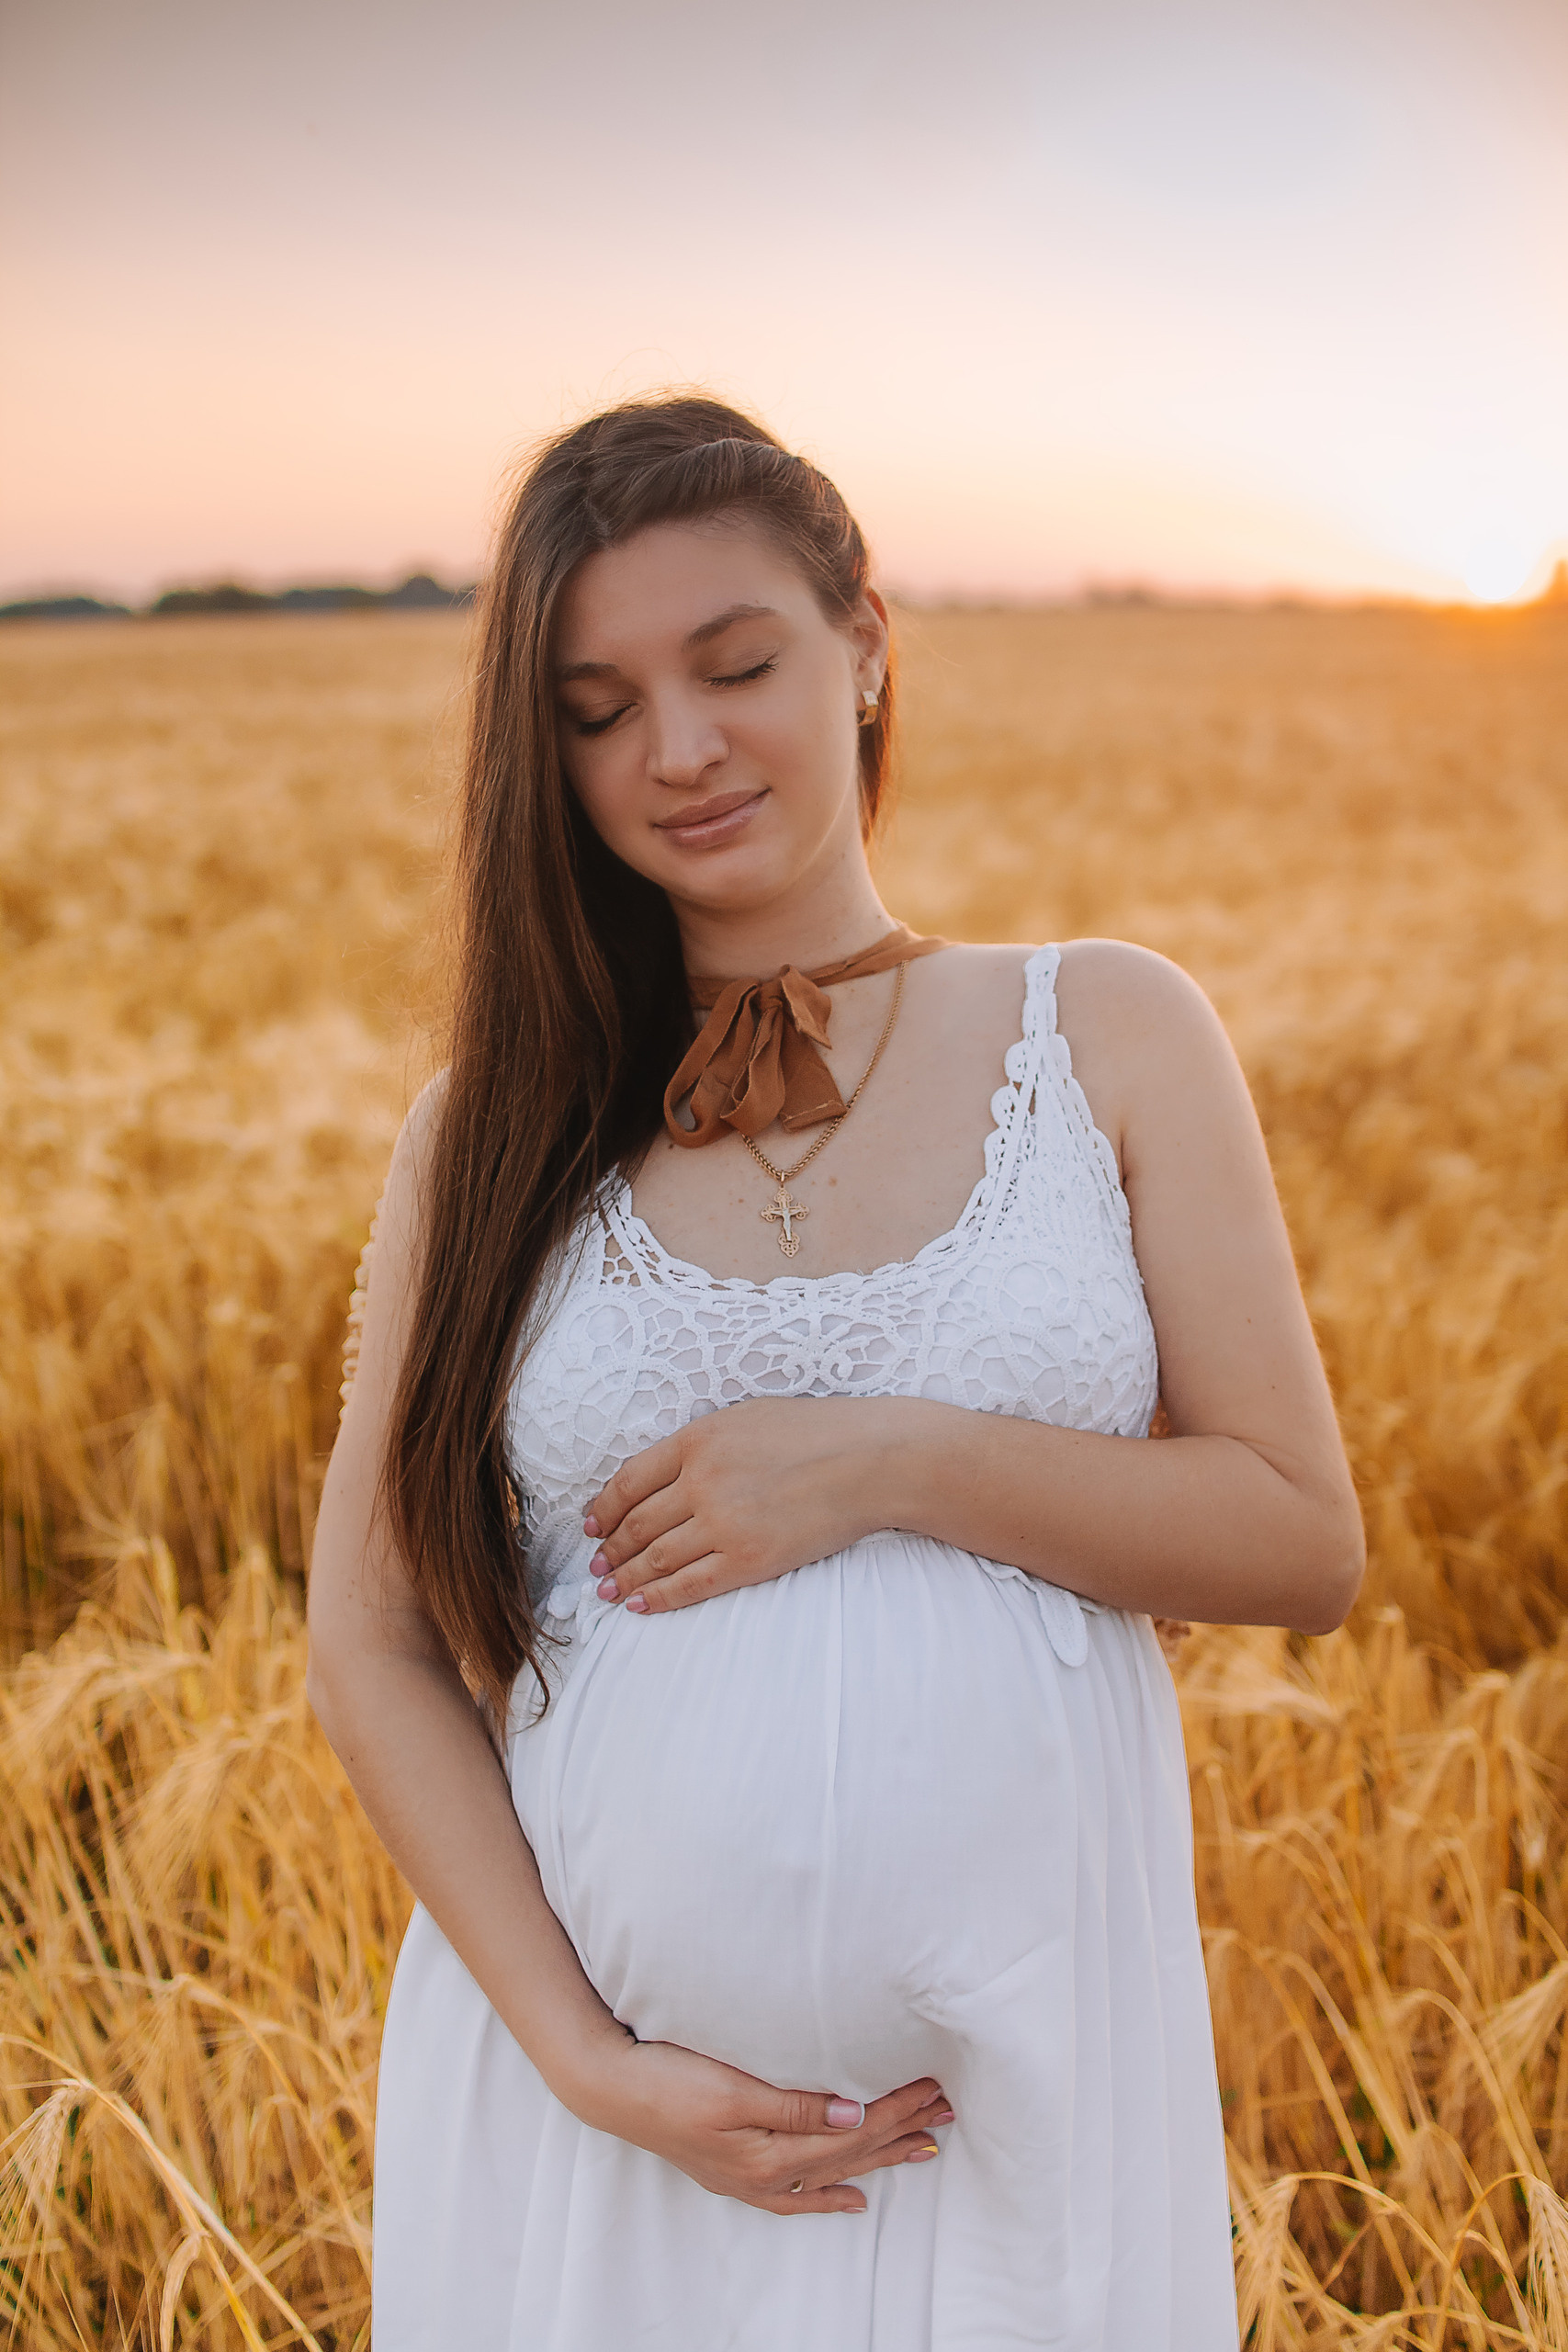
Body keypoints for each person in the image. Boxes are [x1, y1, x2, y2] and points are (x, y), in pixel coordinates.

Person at [307, 395, 1364, 2351]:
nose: (678, 748)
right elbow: (366, 1642)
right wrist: (586, 2058)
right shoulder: (489, 1127)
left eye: (734, 664)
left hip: (1011, 2115)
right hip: (598, 2143)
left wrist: (882, 1458)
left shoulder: (1106, 1028)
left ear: (862, 642)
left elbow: (1296, 1536)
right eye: (596, 704)